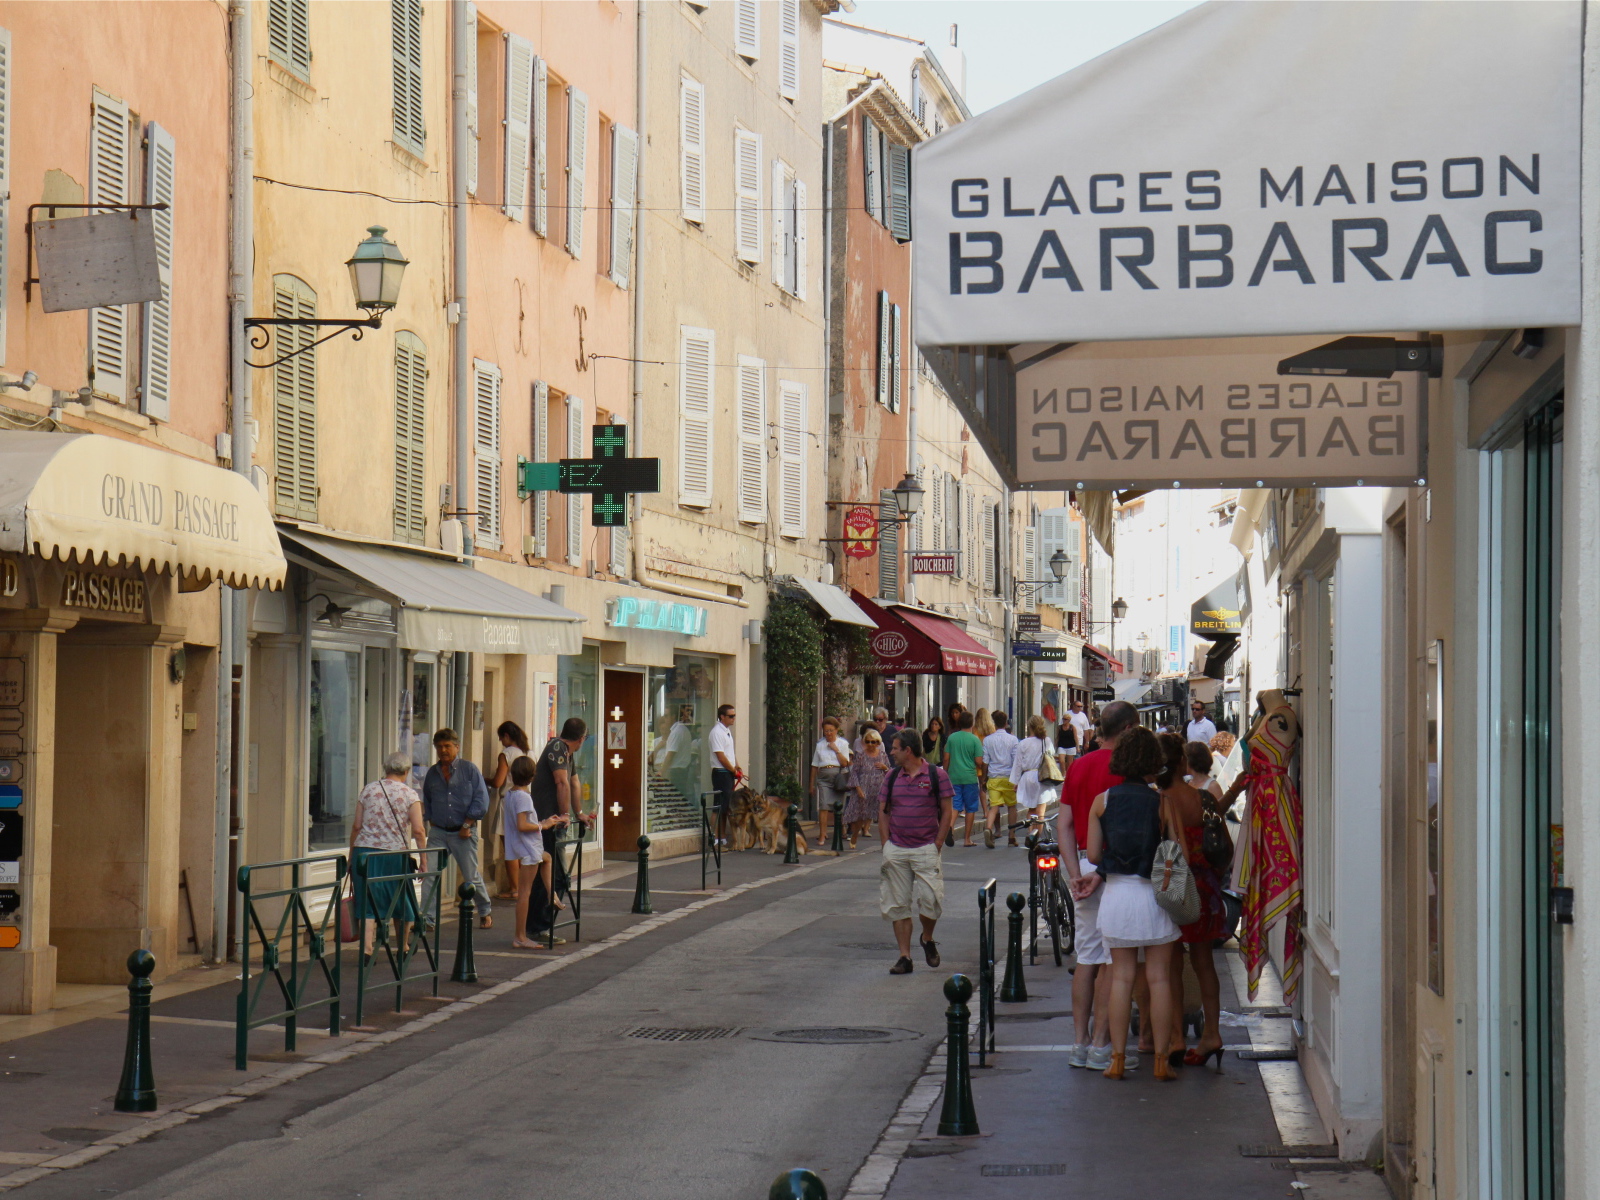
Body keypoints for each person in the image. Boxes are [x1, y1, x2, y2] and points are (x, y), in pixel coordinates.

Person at [1085, 724, 1182, 1081]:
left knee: (1121, 979)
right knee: (1159, 979)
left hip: (1117, 897)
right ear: (1152, 761)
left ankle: (1116, 1059)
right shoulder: (1162, 802)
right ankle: (1161, 1061)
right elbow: (1177, 854)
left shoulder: (1102, 801)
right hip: (1154, 897)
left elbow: (1094, 855)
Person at [1059, 699, 1138, 1070]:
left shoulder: (1078, 765)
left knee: (1087, 957)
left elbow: (1064, 824)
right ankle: (1101, 1045)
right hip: (1115, 869)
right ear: (1127, 729)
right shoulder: (1126, 769)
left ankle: (1079, 1043)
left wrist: (1074, 872)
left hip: (1083, 863)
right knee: (1112, 959)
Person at [1157, 732, 1229, 1069]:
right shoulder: (1203, 799)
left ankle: (1176, 1037)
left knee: (1171, 963)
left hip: (1172, 886)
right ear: (1182, 762)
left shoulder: (1159, 801)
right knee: (1204, 962)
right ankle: (1212, 1033)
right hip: (1204, 886)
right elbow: (1222, 845)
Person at [879, 729, 954, 975]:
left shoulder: (936, 775)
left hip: (925, 848)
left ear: (908, 750)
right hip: (897, 850)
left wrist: (938, 842)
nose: (891, 752)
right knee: (898, 905)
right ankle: (905, 956)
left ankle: (927, 937)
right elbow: (883, 811)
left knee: (931, 901)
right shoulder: (891, 777)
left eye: (895, 748)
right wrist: (886, 845)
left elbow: (947, 810)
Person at [349, 751, 427, 952]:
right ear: (406, 771)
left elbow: (357, 826)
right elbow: (418, 830)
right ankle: (403, 946)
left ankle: (366, 949)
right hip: (394, 855)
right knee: (401, 899)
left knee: (367, 901)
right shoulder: (410, 794)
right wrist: (424, 860)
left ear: (386, 768)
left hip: (365, 853)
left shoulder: (368, 790)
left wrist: (351, 857)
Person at [525, 717, 593, 942]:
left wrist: (579, 812)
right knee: (555, 877)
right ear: (581, 739)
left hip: (554, 822)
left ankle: (539, 925)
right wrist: (565, 814)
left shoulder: (565, 751)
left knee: (553, 875)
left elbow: (574, 782)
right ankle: (539, 927)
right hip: (549, 822)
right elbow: (562, 782)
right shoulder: (558, 748)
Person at [421, 728, 493, 927]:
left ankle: (485, 910)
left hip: (463, 832)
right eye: (439, 747)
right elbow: (427, 799)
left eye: (447, 746)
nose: (443, 750)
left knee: (470, 876)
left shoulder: (469, 770)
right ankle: (427, 919)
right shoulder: (432, 773)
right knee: (430, 875)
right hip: (438, 832)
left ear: (457, 747)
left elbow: (481, 800)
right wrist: (431, 821)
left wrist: (467, 824)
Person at [505, 756, 570, 950]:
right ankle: (520, 936)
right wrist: (544, 825)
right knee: (525, 893)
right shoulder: (523, 797)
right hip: (529, 847)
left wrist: (543, 822)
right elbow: (522, 825)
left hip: (524, 846)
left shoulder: (510, 794)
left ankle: (551, 894)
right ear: (532, 776)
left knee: (547, 858)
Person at [488, 721, 533, 896]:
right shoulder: (529, 753)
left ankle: (515, 888)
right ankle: (524, 887)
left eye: (501, 737)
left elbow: (498, 781)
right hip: (526, 799)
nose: (501, 741)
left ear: (507, 736)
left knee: (510, 848)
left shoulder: (507, 754)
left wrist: (485, 779)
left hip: (509, 800)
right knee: (522, 847)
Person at [942, 710, 986, 848]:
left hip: (954, 776)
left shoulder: (952, 738)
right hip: (969, 777)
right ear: (972, 723)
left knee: (955, 805)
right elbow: (979, 761)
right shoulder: (975, 740)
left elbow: (946, 758)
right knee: (970, 808)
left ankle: (950, 826)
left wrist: (945, 772)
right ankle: (967, 839)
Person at [1009, 715, 1060, 828]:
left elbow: (1018, 764)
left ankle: (1030, 833)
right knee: (1040, 812)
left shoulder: (1023, 743)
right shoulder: (1046, 741)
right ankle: (1036, 836)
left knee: (1031, 810)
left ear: (1029, 727)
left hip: (1027, 776)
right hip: (1042, 776)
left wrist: (1016, 782)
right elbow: (1051, 754)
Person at [809, 717, 852, 849]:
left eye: (831, 730)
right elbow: (814, 765)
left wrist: (836, 749)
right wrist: (811, 784)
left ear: (836, 730)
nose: (828, 733)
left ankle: (841, 829)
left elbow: (845, 763)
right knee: (823, 806)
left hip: (838, 776)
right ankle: (822, 834)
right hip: (823, 777)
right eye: (826, 731)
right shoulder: (820, 745)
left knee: (838, 807)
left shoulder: (842, 743)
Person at [844, 725, 890, 848]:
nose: (870, 744)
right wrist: (858, 788)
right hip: (863, 788)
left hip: (878, 789)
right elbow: (854, 773)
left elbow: (890, 772)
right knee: (860, 816)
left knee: (881, 816)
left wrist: (885, 767)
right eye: (868, 741)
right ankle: (854, 835)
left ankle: (885, 842)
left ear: (878, 743)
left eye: (873, 742)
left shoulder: (882, 755)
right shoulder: (861, 755)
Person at [981, 710, 1019, 848]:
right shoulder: (1013, 739)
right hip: (1009, 777)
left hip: (994, 777)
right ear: (1006, 723)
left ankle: (988, 828)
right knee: (1012, 807)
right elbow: (1016, 760)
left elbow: (985, 761)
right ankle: (1011, 836)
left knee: (994, 806)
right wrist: (1017, 778)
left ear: (994, 723)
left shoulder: (987, 740)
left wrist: (984, 778)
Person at [708, 703, 740, 848]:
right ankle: (714, 838)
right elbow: (720, 756)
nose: (733, 718)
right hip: (721, 773)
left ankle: (722, 836)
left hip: (727, 772)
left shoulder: (726, 731)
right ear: (722, 716)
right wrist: (733, 770)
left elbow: (729, 752)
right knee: (718, 806)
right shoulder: (717, 732)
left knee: (725, 807)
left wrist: (736, 766)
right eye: (731, 716)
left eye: (734, 716)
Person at [657, 704, 698, 803]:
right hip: (681, 770)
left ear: (673, 716)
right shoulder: (681, 729)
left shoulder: (677, 732)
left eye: (666, 716)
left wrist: (662, 771)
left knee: (674, 800)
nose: (664, 718)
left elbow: (670, 755)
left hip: (676, 772)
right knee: (678, 799)